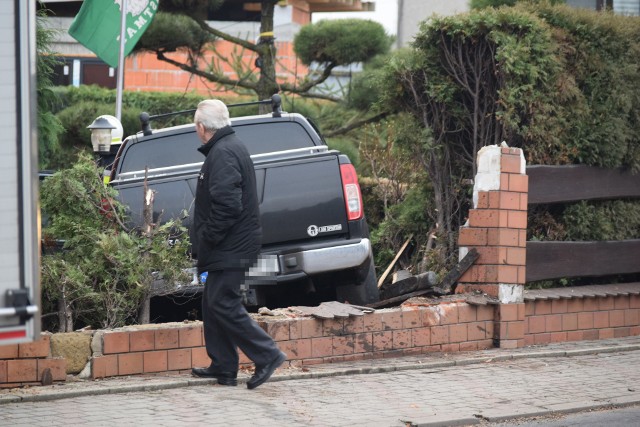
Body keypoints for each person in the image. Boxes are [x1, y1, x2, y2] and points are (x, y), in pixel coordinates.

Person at [190, 99, 286, 389]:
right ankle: (224, 366)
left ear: (201, 127)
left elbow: (227, 206)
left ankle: (267, 354)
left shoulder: (223, 153)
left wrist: (207, 238)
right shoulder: (228, 147)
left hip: (231, 245)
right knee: (212, 303)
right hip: (230, 245)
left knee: (222, 301)